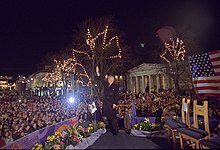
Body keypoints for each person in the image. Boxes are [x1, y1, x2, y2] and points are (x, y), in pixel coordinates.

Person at [95, 66, 119, 136]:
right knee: (108, 118)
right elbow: (101, 80)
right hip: (106, 104)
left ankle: (116, 131)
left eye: (109, 78)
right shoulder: (106, 85)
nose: (107, 79)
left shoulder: (115, 86)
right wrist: (97, 72)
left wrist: (115, 103)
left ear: (112, 79)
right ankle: (111, 129)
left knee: (113, 118)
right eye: (108, 78)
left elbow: (117, 95)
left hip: (111, 104)